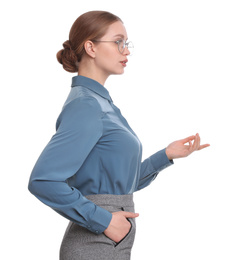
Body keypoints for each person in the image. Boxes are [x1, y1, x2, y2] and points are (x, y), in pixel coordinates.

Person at [28, 10, 210, 260]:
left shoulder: (103, 105)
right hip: (96, 244)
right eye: (118, 42)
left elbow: (121, 184)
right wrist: (104, 221)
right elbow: (43, 181)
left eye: (126, 43)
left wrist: (166, 155)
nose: (126, 51)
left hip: (110, 242)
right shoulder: (87, 106)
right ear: (90, 47)